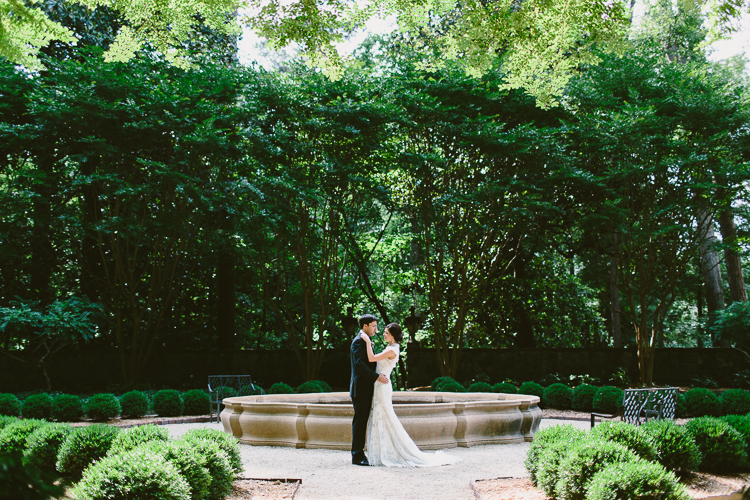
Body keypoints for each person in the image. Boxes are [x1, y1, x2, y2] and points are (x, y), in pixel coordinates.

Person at [362, 323, 459, 467]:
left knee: (385, 416)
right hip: (380, 384)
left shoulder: (392, 350)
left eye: (386, 333)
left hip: (382, 386)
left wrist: (368, 342)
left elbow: (371, 358)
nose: (384, 334)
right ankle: (380, 452)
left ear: (393, 336)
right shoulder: (391, 348)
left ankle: (392, 451)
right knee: (379, 415)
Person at [350, 314, 389, 466]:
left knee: (363, 420)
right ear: (365, 326)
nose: (375, 329)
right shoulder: (358, 341)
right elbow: (359, 365)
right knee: (360, 421)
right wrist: (376, 377)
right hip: (360, 389)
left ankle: (361, 453)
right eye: (373, 326)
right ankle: (357, 455)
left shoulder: (364, 340)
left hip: (367, 388)